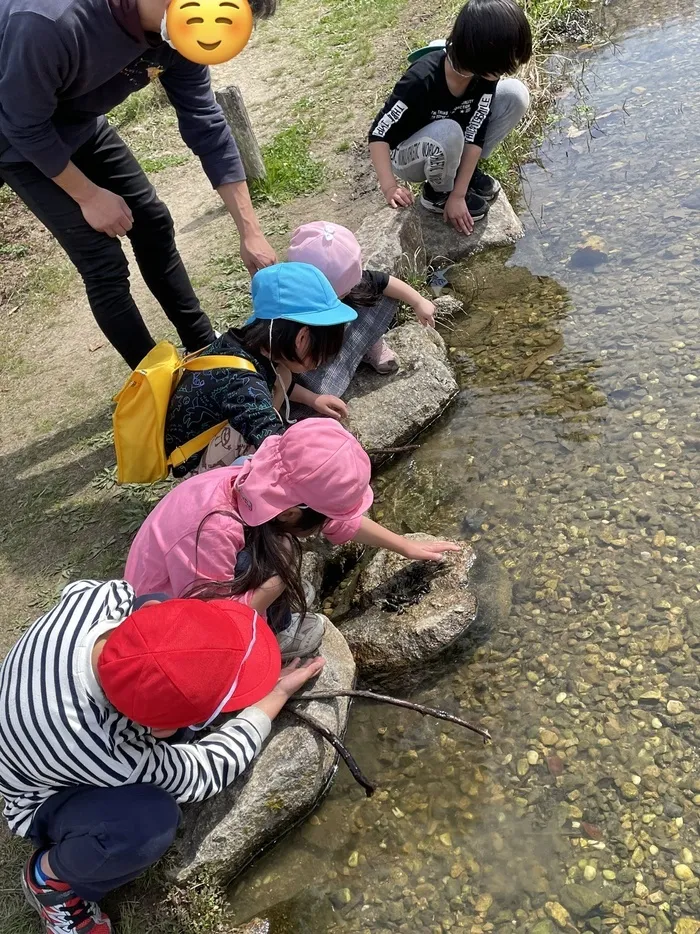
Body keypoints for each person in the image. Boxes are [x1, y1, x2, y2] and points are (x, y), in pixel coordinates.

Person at [0, 581, 325, 934]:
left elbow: (123, 600)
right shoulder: (110, 752)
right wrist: (273, 697)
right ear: (155, 731)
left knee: (160, 626)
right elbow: (204, 771)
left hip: (39, 707)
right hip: (37, 794)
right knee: (147, 824)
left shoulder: (101, 599)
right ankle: (49, 879)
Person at [0, 0, 279, 368]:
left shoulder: (185, 33)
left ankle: (205, 348)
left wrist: (250, 232)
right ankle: (155, 380)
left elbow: (206, 124)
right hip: (16, 141)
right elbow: (22, 126)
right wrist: (89, 196)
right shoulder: (50, 22)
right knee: (102, 260)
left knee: (152, 222)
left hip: (79, 121)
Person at [125, 418, 461, 659]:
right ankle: (277, 635)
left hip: (195, 578)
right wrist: (276, 584)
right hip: (166, 616)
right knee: (283, 554)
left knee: (282, 549)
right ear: (290, 513)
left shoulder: (252, 476)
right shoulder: (213, 529)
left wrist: (404, 546)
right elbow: (214, 623)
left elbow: (339, 523)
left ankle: (271, 610)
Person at [165, 262, 355, 477]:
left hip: (205, 436)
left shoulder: (247, 342)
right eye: (321, 354)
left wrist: (312, 399)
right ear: (302, 338)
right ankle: (233, 487)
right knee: (271, 458)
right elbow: (276, 447)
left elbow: (279, 380)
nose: (320, 363)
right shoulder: (245, 386)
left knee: (282, 373)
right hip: (195, 463)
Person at [368, 0, 532, 236]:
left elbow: (476, 129)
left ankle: (462, 173)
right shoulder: (421, 79)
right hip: (409, 154)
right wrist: (389, 186)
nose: (502, 72)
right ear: (480, 51)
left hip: (452, 137)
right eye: (501, 64)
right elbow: (378, 134)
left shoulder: (485, 74)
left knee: (515, 94)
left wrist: (461, 193)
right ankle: (438, 193)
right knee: (449, 131)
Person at [287, 221, 436, 391]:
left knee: (375, 295)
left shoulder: (349, 285)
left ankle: (370, 342)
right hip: (314, 352)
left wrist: (419, 302)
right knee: (314, 385)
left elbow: (383, 281)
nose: (347, 291)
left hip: (341, 331)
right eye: (339, 293)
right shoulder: (288, 313)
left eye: (348, 287)